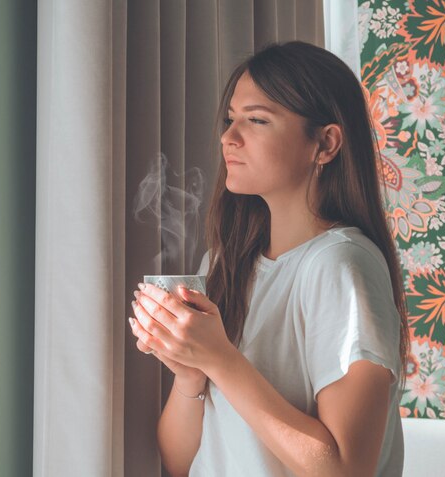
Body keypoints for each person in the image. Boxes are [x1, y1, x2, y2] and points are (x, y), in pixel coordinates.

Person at [127, 41, 408, 477]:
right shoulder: (222, 262)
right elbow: (181, 463)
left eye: (257, 120)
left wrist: (220, 358)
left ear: (326, 144)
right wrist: (190, 372)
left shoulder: (340, 266)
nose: (228, 137)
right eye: (230, 119)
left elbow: (347, 470)